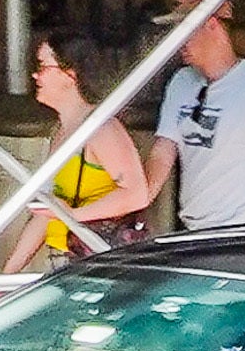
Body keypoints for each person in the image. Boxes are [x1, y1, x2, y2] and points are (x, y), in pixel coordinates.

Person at [155, 0, 245, 232]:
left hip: (240, 235)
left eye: (184, 29)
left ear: (212, 24)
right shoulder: (181, 82)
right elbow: (162, 151)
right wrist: (136, 200)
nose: (177, 41)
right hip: (192, 230)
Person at [23, 31, 157, 257]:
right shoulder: (60, 132)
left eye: (44, 66)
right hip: (68, 257)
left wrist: (71, 215)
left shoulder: (102, 130)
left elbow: (136, 194)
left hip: (101, 261)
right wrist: (5, 276)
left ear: (70, 74)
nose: (36, 76)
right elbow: (47, 213)